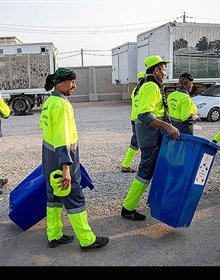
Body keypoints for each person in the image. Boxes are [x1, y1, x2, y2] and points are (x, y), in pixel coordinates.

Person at [40, 67, 109, 251]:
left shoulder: (49, 102)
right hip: (61, 161)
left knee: (53, 198)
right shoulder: (62, 105)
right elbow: (62, 138)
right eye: (71, 82)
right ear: (59, 83)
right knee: (74, 198)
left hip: (49, 160)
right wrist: (66, 168)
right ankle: (87, 240)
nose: (74, 85)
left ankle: (53, 235)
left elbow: (47, 131)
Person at [121, 55, 180, 220]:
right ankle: (128, 208)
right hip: (150, 137)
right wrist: (168, 127)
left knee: (150, 170)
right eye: (164, 69)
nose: (165, 73)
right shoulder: (151, 87)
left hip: (150, 136)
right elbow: (144, 115)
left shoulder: (144, 85)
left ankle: (143, 203)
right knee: (145, 171)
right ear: (156, 70)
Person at [120, 70, 146, 173]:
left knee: (136, 143)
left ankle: (126, 164)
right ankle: (125, 165)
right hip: (141, 121)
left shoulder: (135, 90)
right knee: (139, 144)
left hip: (134, 119)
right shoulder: (144, 90)